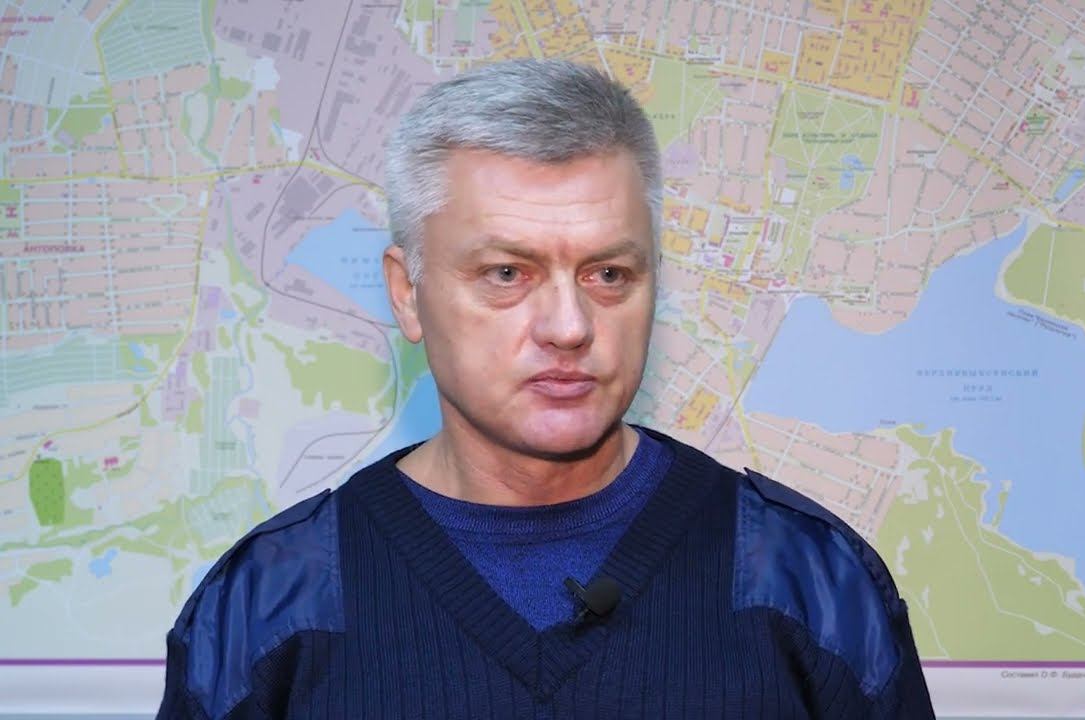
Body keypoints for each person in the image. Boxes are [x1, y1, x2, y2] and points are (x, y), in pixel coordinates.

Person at [158, 59, 935, 719]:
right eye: (507, 273)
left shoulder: (808, 584)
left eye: (609, 274)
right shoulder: (272, 607)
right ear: (407, 293)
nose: (569, 326)